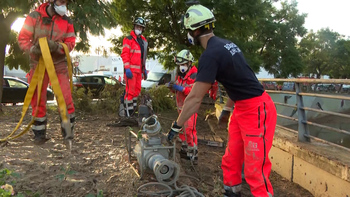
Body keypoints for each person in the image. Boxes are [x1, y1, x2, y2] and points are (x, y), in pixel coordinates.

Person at [167, 4, 277, 197]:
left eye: (189, 31)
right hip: (241, 108)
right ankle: (231, 193)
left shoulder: (210, 55)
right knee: (231, 160)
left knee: (254, 170)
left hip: (256, 110)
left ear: (196, 30)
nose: (188, 35)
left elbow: (194, 98)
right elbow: (238, 80)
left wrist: (177, 126)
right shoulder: (226, 45)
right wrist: (227, 110)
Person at [18, 0, 76, 145]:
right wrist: (32, 49)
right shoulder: (34, 16)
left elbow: (70, 43)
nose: (64, 5)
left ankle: (68, 133)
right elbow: (23, 38)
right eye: (62, 1)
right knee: (38, 99)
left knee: (65, 98)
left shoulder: (67, 21)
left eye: (66, 2)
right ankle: (39, 135)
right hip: (38, 63)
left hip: (58, 64)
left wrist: (57, 47)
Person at [169, 49, 198, 162]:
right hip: (181, 107)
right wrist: (172, 88)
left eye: (184, 64)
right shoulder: (180, 75)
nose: (182, 66)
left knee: (189, 129)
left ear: (189, 63)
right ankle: (185, 149)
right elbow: (177, 92)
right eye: (180, 64)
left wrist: (182, 89)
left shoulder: (195, 75)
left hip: (190, 108)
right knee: (181, 129)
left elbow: (194, 92)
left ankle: (193, 153)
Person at [121, 17, 148, 117]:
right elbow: (125, 54)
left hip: (139, 72)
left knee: (136, 92)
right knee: (130, 93)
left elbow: (143, 57)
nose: (139, 29)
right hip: (131, 71)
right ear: (134, 26)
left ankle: (134, 112)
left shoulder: (143, 41)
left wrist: (144, 69)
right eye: (137, 26)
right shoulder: (128, 40)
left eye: (141, 27)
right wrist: (127, 68)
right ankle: (128, 114)